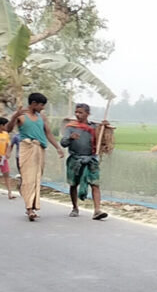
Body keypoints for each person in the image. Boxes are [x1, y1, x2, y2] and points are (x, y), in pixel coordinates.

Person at [4, 93, 65, 221]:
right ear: (34, 104)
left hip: (40, 149)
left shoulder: (41, 117)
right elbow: (8, 129)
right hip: (27, 148)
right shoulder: (21, 116)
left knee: (37, 178)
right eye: (41, 105)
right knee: (28, 178)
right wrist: (15, 115)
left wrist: (58, 147)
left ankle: (33, 205)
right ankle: (29, 209)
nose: (43, 108)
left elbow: (48, 133)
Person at [60, 103, 108, 220]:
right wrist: (70, 138)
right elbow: (63, 143)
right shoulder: (70, 127)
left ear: (87, 114)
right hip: (75, 159)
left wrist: (104, 128)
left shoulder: (94, 127)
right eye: (76, 112)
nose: (78, 115)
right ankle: (75, 207)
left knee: (95, 184)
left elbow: (102, 139)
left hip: (91, 159)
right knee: (73, 184)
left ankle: (97, 210)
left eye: (81, 112)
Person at [0, 117, 16, 200]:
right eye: (6, 125)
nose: (7, 126)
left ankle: (10, 193)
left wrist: (7, 154)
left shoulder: (6, 134)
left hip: (3, 158)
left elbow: (7, 145)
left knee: (6, 174)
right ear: (1, 125)